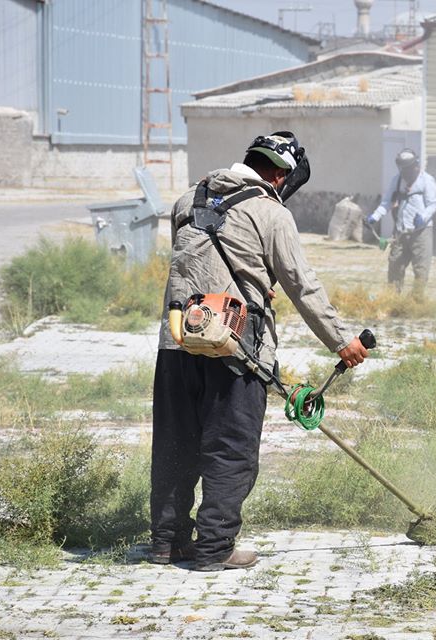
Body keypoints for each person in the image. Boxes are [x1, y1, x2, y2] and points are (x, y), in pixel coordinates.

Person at [150, 132, 369, 571]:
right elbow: (301, 284)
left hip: (176, 343)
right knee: (230, 448)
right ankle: (214, 548)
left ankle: (167, 542)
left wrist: (251, 278)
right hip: (237, 349)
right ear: (280, 173)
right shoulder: (271, 213)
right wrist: (342, 341)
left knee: (176, 444)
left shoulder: (185, 202)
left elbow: (198, 260)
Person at [366, 149, 436, 298]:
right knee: (395, 267)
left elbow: (433, 205)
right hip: (400, 231)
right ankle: (393, 298)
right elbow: (386, 202)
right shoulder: (397, 180)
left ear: (416, 166)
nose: (404, 172)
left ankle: (415, 301)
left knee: (421, 269)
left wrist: (423, 217)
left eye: (407, 168)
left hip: (421, 232)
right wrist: (375, 216)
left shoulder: (427, 180)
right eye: (401, 168)